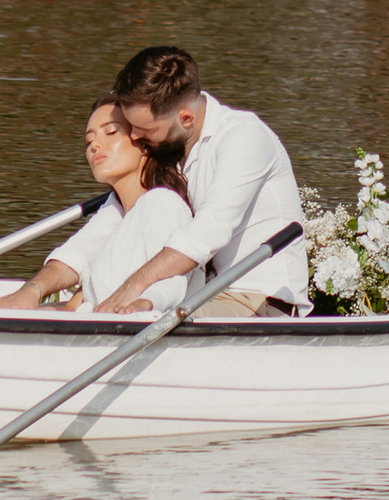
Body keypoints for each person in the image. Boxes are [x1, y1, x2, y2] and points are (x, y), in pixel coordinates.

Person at [103, 44, 310, 318]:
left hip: (259, 301)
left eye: (144, 129)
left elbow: (211, 229)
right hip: (198, 293)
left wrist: (133, 286)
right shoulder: (167, 145)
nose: (133, 137)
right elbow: (115, 219)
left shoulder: (244, 136)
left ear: (186, 118)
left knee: (139, 314)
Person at [0, 99, 199, 313]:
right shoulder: (117, 212)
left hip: (128, 329)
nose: (95, 145)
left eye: (111, 132)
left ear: (145, 143)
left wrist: (141, 304)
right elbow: (76, 266)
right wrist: (28, 293)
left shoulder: (162, 203)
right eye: (89, 140)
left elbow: (174, 279)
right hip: (91, 319)